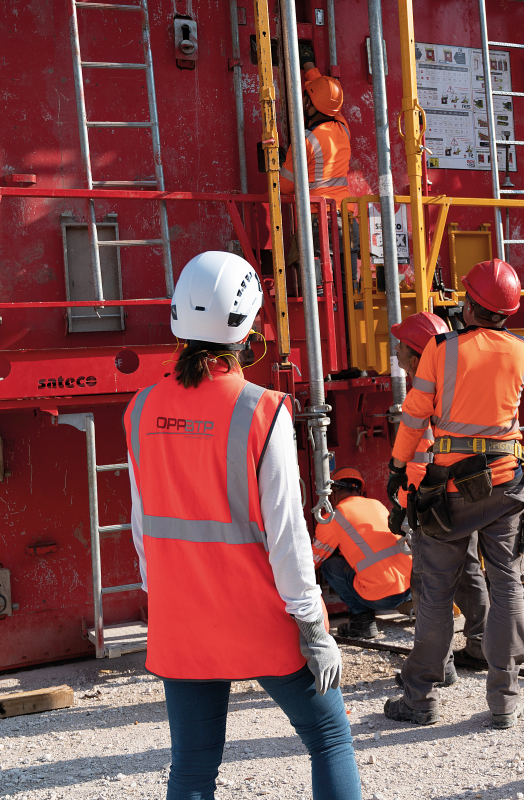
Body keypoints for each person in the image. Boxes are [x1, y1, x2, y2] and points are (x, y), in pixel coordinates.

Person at [124, 251, 361, 800]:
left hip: (182, 617)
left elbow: (142, 527)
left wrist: (164, 598)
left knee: (192, 767)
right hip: (261, 615)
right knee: (328, 738)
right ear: (248, 327)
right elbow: (286, 533)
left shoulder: (140, 410)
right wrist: (313, 624)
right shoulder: (263, 410)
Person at [383, 259, 524, 729]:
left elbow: (414, 416)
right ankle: (504, 697)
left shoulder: (441, 350)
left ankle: (421, 698)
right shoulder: (522, 349)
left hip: (449, 490)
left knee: (435, 593)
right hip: (507, 481)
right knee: (506, 582)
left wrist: (395, 467)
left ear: (469, 304)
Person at [390, 311, 491, 687]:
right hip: (467, 494)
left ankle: (438, 666)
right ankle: (480, 646)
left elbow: (418, 463)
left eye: (401, 346)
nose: (395, 350)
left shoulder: (423, 397)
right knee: (468, 571)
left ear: (417, 358)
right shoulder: (458, 391)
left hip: (433, 502)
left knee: (428, 585)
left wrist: (402, 504)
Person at [312, 467, 412, 639]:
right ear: (359, 490)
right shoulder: (376, 504)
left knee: (330, 565)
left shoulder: (332, 517)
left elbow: (312, 560)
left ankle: (362, 621)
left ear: (333, 492)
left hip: (382, 596)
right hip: (410, 588)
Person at [280, 49, 351, 206]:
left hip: (320, 217)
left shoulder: (305, 141)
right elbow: (327, 96)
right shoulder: (343, 127)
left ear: (307, 103)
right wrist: (309, 65)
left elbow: (284, 186)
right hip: (346, 214)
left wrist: (281, 164)